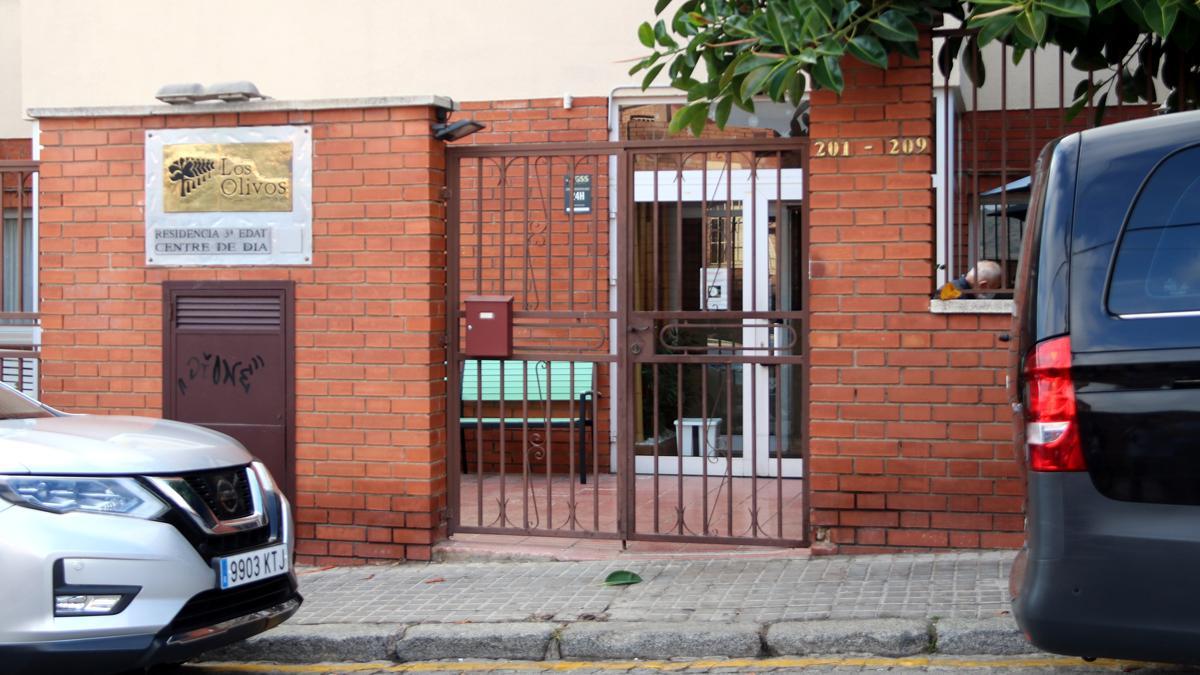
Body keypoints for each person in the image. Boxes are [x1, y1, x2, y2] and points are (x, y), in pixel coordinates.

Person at [937, 260, 1002, 300]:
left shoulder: (955, 288)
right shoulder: (956, 294)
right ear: (983, 285)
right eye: (991, 289)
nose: (988, 293)